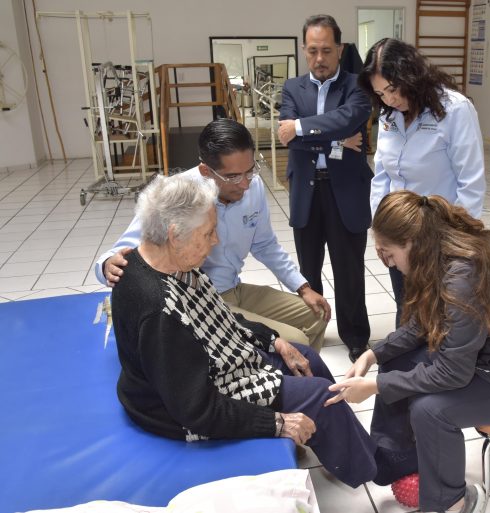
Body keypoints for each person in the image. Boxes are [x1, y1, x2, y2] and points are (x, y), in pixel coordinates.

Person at [110, 173, 377, 488]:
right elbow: (197, 410)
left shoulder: (168, 263)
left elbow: (221, 317)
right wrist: (275, 423)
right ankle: (375, 471)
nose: (216, 241)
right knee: (319, 395)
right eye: (209, 233)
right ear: (174, 235)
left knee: (307, 359)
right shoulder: (160, 310)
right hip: (179, 410)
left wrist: (274, 340)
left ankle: (340, 445)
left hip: (206, 371)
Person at [325, 191, 490, 513]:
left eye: (388, 254)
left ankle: (451, 502)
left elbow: (452, 372)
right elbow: (420, 326)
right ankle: (399, 460)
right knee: (396, 360)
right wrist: (372, 355)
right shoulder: (441, 252)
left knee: (431, 410)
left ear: (412, 242)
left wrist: (374, 387)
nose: (389, 264)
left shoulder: (463, 275)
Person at [94, 119, 331, 351]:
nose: (245, 184)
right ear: (206, 171)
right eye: (233, 176)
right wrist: (107, 265)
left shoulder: (253, 186)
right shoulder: (178, 193)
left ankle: (300, 378)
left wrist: (302, 287)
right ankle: (272, 379)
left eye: (250, 171)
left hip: (234, 288)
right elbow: (123, 250)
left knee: (316, 315)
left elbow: (265, 244)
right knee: (295, 340)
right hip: (199, 300)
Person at [358, 38, 486, 327]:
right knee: (406, 311)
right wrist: (381, 231)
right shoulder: (390, 113)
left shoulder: (455, 110)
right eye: (380, 93)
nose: (388, 100)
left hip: (440, 236)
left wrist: (458, 242)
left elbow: (471, 183)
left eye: (392, 89)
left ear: (411, 76)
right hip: (398, 233)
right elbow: (382, 174)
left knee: (441, 317)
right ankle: (406, 370)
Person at [278, 14, 373, 362]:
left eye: (327, 51)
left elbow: (348, 119)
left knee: (349, 270)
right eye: (313, 50)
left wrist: (301, 127)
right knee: (308, 270)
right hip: (306, 191)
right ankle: (311, 333)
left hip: (345, 191)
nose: (320, 59)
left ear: (340, 49)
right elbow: (288, 139)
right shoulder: (292, 88)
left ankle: (356, 338)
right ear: (304, 50)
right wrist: (335, 144)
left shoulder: (356, 85)